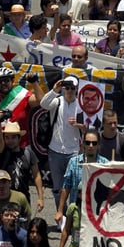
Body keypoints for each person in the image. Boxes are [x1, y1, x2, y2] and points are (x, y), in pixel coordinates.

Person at [36, 75, 82, 207]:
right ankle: (61, 215)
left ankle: (72, 216)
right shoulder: (57, 101)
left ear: (76, 89)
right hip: (55, 150)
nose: (69, 90)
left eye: (72, 88)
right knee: (57, 188)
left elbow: (90, 127)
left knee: (74, 187)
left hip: (73, 152)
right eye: (66, 87)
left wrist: (78, 124)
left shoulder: (81, 105)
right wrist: (54, 90)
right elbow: (43, 104)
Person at [55, 128, 109, 225]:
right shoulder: (73, 162)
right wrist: (59, 211)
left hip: (97, 214)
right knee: (76, 239)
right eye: (88, 143)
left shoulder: (105, 164)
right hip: (77, 212)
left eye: (94, 143)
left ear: (99, 145)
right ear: (83, 144)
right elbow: (66, 187)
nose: (91, 146)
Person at [0, 121, 44, 210]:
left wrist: (40, 198)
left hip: (23, 197)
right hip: (5, 197)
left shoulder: (28, 153)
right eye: (7, 138)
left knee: (24, 222)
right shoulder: (2, 152)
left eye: (13, 137)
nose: (10, 141)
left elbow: (36, 175)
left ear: (19, 138)